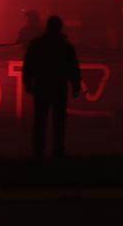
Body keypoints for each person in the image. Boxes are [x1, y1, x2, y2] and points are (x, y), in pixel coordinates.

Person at [22, 15, 82, 159]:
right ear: (60, 28)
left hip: (41, 86)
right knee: (58, 121)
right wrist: (75, 85)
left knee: (40, 121)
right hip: (59, 87)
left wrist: (28, 82)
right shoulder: (65, 46)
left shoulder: (36, 44)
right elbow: (73, 68)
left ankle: (38, 151)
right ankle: (58, 150)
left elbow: (28, 65)